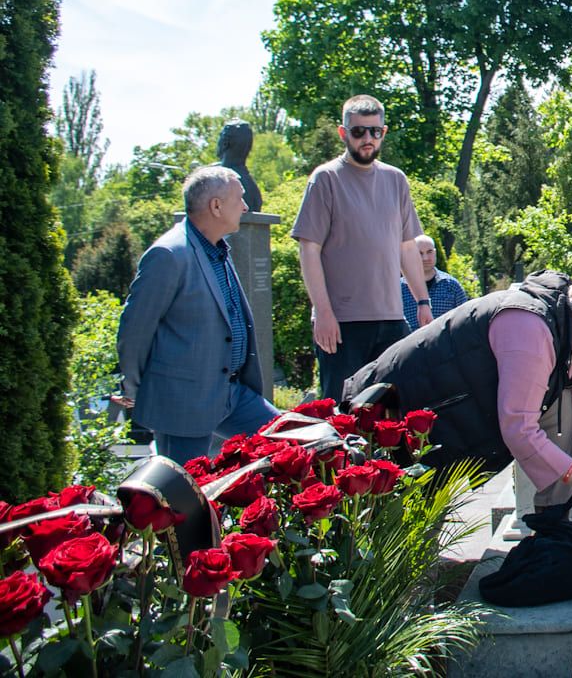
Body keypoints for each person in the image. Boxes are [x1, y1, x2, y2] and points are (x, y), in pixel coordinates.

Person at [342, 271, 572, 524]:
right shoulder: (529, 327)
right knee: (399, 521)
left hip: (450, 414)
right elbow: (519, 429)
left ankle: (553, 525)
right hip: (395, 406)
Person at [114, 166, 279, 463]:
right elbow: (135, 329)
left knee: (290, 443)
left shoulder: (216, 249)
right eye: (239, 199)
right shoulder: (168, 254)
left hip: (232, 394)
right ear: (216, 206)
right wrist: (135, 389)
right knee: (184, 500)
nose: (245, 206)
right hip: (183, 404)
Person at [292, 94, 429, 399]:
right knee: (342, 414)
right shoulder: (325, 179)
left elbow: (407, 247)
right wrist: (324, 312)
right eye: (358, 132)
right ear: (344, 133)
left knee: (395, 414)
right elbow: (309, 250)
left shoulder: (396, 180)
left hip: (392, 320)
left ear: (384, 132)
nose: (367, 139)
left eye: (375, 131)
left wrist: (423, 302)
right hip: (342, 324)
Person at [400, 234, 470, 333]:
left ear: (435, 253)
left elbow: (465, 320)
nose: (425, 258)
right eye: (420, 253)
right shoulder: (400, 289)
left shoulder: (452, 286)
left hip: (444, 346)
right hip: (410, 345)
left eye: (429, 252)